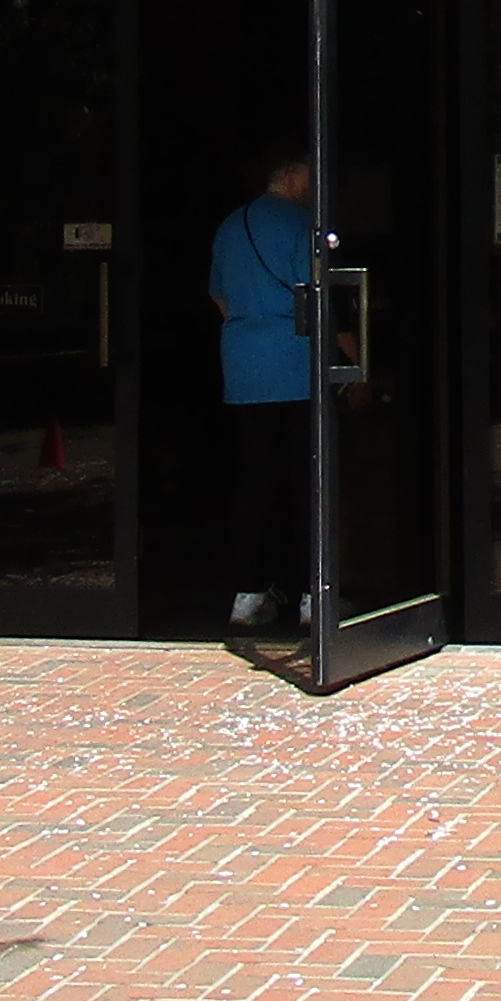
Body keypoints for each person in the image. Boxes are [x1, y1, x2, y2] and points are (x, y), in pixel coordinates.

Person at [208, 139, 318, 633]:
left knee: (255, 481)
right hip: (296, 368)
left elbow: (222, 300)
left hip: (245, 371)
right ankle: (313, 595)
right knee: (306, 482)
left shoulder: (231, 226)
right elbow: (317, 302)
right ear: (293, 173)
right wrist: (360, 361)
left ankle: (249, 593)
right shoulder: (301, 225)